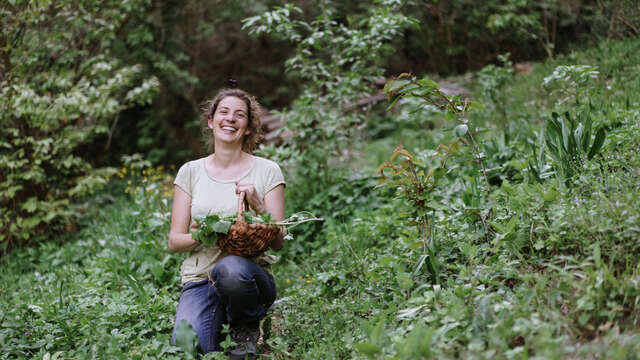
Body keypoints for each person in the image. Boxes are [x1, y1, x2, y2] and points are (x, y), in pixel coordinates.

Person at [168, 87, 286, 358]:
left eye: (239, 115)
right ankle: (221, 318)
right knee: (189, 345)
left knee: (230, 268)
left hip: (248, 278)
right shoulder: (190, 172)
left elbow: (279, 242)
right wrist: (206, 234)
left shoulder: (268, 171)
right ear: (211, 121)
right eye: (223, 112)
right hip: (200, 279)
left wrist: (258, 206)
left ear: (248, 128)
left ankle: (246, 323)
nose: (230, 119)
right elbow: (175, 242)